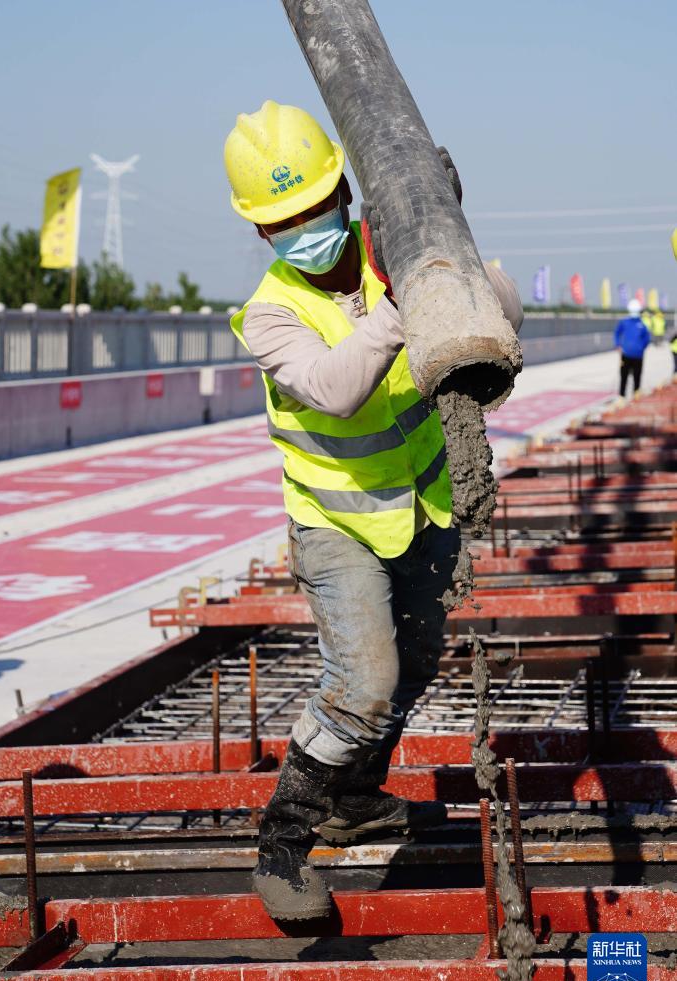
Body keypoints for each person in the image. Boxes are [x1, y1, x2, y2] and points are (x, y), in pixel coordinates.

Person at [225, 100, 523, 920]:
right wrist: (403, 296)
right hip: (338, 525)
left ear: (345, 194)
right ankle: (281, 848)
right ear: (262, 233)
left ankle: (353, 794)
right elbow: (338, 387)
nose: (308, 227)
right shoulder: (270, 312)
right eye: (286, 219)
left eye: (318, 206)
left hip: (423, 508)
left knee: (415, 664)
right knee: (365, 679)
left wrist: (450, 259)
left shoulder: (390, 250)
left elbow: (497, 310)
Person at [615, 299, 651, 397]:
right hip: (626, 354)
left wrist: (641, 348)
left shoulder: (642, 324)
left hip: (638, 355)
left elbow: (647, 338)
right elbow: (617, 333)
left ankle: (636, 394)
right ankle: (622, 396)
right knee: (624, 376)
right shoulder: (625, 322)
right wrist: (618, 345)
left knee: (637, 376)